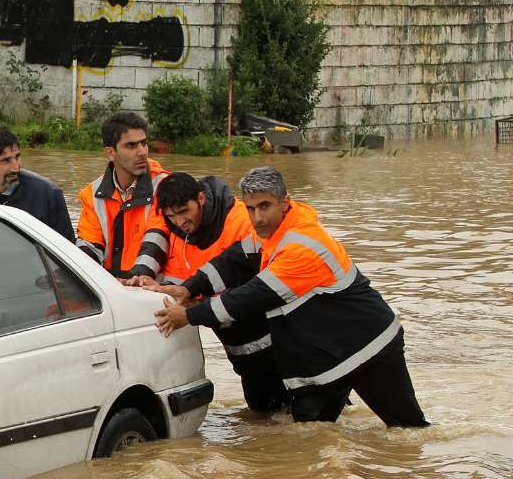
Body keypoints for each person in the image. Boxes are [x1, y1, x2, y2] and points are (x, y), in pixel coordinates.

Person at [153, 166, 428, 428]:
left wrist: (189, 315)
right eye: (250, 208)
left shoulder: (300, 245)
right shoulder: (271, 232)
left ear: (284, 202)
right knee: (305, 441)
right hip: (327, 361)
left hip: (372, 349)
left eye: (264, 206)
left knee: (408, 428)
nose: (257, 217)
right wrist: (189, 287)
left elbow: (251, 297)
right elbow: (234, 259)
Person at [131, 171, 286, 414]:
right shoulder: (179, 231)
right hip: (240, 346)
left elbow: (253, 287)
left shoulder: (242, 223)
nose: (180, 221)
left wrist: (192, 309)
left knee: (299, 411)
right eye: (172, 216)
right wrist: (150, 282)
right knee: (264, 416)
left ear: (201, 199)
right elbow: (185, 273)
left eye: (184, 212)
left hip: (276, 340)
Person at [76, 111, 170, 278]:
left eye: (144, 143)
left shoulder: (165, 186)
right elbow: (89, 246)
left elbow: (157, 239)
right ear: (110, 153)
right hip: (110, 287)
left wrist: (135, 280)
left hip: (152, 289)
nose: (142, 152)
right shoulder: (92, 193)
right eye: (131, 146)